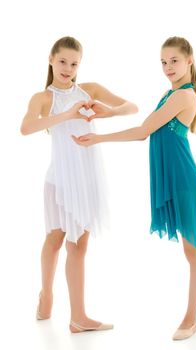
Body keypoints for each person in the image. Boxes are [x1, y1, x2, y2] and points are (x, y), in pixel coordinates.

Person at [72, 36, 196, 340]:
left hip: (185, 183)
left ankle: (191, 319)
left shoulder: (184, 96)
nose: (167, 67)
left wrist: (98, 138)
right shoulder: (169, 94)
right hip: (176, 181)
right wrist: (107, 113)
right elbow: (147, 126)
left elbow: (142, 132)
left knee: (194, 253)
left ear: (189, 60)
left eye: (173, 60)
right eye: (163, 62)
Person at [20, 36, 138, 333]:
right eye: (63, 61)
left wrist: (107, 111)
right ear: (51, 59)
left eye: (74, 64)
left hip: (87, 177)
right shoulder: (43, 98)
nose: (68, 68)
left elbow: (131, 107)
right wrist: (68, 114)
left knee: (80, 245)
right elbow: (26, 127)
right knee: (55, 240)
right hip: (59, 179)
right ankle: (46, 294)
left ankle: (78, 317)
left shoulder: (91, 90)